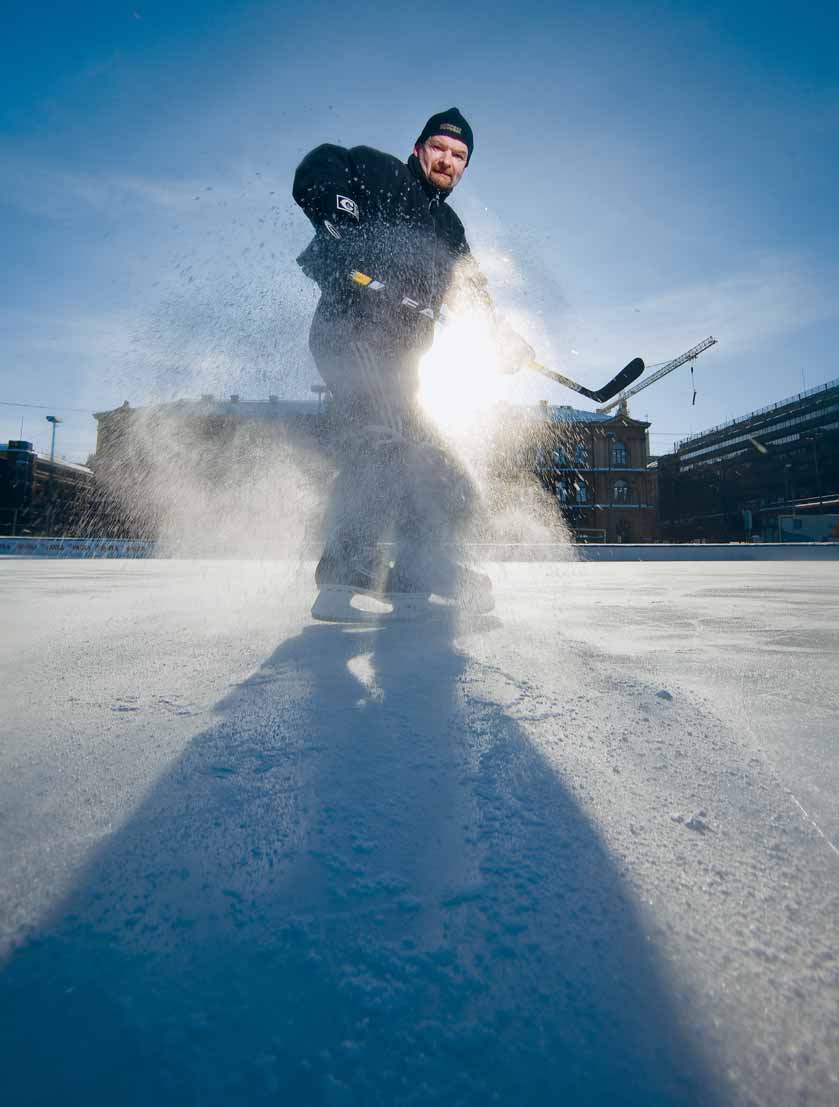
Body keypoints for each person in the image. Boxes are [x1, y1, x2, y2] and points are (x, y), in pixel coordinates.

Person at [292, 108, 534, 621]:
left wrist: (501, 338)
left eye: (460, 156)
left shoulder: (449, 229)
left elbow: (474, 296)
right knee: (382, 442)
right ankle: (344, 572)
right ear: (420, 148)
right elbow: (322, 164)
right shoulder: (384, 175)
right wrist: (342, 219)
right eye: (440, 148)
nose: (448, 161)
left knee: (442, 470)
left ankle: (419, 569)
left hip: (403, 365)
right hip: (349, 330)